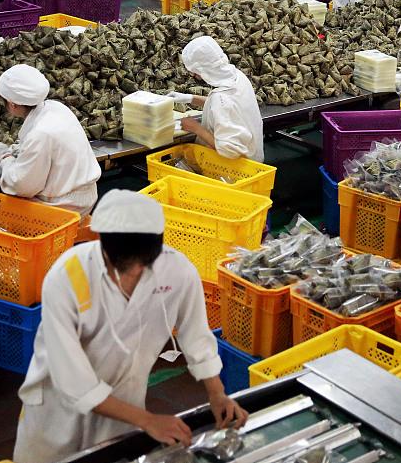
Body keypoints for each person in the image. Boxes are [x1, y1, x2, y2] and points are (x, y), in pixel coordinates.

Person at [13, 190, 248, 463]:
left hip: (124, 404)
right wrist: (147, 420)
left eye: (144, 265)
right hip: (56, 411)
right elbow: (72, 381)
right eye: (125, 267)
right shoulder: (66, 276)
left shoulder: (178, 272)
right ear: (101, 241)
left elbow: (196, 336)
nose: (135, 273)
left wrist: (217, 394)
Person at [0, 65, 102, 215]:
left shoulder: (40, 134)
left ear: (12, 104)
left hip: (63, 207)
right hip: (85, 197)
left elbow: (22, 186)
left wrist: (5, 156)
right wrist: (18, 150)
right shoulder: (57, 107)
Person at [166, 36, 264, 163]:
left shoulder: (221, 99)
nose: (194, 76)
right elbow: (228, 105)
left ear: (203, 70)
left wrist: (195, 128)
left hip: (234, 170)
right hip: (254, 159)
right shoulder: (238, 77)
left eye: (194, 73)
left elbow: (230, 150)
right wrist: (189, 98)